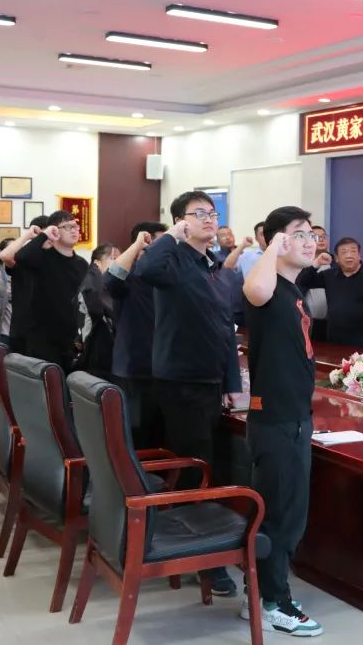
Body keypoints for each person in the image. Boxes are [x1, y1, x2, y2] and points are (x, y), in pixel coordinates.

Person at [134, 191, 242, 597]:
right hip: (181, 380)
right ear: (181, 220)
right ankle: (202, 560)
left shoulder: (213, 265)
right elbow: (145, 270)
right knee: (196, 465)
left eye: (212, 213)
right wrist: (171, 236)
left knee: (211, 462)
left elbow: (225, 328)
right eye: (199, 214)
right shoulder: (171, 260)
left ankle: (208, 542)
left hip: (211, 381)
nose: (209, 220)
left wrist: (232, 382)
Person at [241, 206, 323, 636]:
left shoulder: (294, 289)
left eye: (312, 234)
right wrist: (273, 244)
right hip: (276, 418)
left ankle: (260, 594)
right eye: (300, 234)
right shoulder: (267, 286)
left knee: (288, 511)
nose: (311, 241)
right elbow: (254, 287)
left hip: (293, 415)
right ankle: (274, 602)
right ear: (278, 240)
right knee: (282, 515)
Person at [105, 222, 167, 448]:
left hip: (165, 370)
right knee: (135, 437)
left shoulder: (168, 279)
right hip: (133, 369)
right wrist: (138, 244)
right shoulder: (130, 278)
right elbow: (110, 279)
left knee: (161, 438)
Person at [14, 211, 88, 371]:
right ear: (55, 230)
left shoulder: (82, 264)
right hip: (44, 340)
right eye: (67, 227)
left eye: (75, 226)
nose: (74, 230)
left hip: (72, 339)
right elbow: (21, 257)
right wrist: (44, 235)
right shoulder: (43, 257)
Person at [298, 237, 363, 350]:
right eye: (344, 252)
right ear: (337, 258)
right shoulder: (329, 275)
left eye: (353, 251)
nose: (349, 255)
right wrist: (316, 264)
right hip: (334, 335)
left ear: (359, 255)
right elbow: (303, 281)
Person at [0, 215, 51, 354]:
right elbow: (5, 256)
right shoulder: (24, 258)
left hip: (47, 333)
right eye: (44, 233)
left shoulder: (55, 259)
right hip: (22, 332)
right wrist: (28, 235)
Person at [76, 243, 119, 379]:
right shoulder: (92, 284)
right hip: (96, 353)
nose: (117, 262)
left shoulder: (100, 282)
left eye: (118, 258)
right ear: (97, 262)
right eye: (112, 258)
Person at [304, 226, 331, 341]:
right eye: (316, 237)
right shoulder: (303, 264)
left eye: (323, 236)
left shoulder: (336, 263)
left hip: (331, 322)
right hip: (309, 321)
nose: (321, 239)